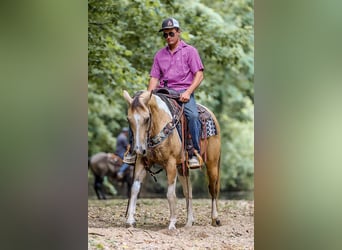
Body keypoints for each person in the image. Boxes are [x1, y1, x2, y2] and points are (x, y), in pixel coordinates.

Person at [124, 18, 204, 168]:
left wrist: (188, 92)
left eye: (171, 33)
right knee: (136, 109)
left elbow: (199, 75)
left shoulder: (190, 51)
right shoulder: (159, 55)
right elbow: (154, 78)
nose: (168, 37)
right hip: (162, 93)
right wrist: (146, 98)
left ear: (178, 32)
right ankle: (132, 150)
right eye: (165, 35)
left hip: (183, 93)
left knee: (193, 116)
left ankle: (193, 152)